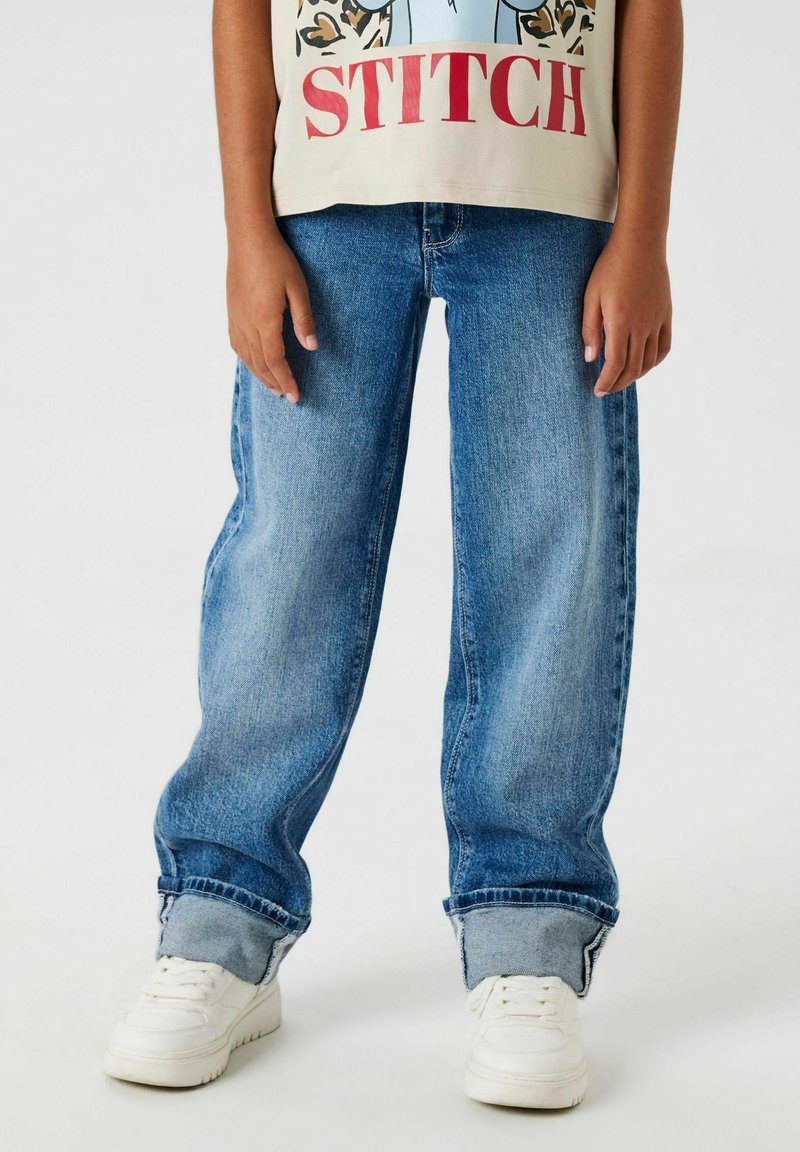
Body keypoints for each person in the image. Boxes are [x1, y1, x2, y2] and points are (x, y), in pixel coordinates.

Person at [105, 0, 682, 1107]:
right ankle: (222, 918)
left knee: (548, 555)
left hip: (552, 191)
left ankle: (527, 931)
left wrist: (642, 234)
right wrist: (247, 233)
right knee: (290, 555)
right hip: (327, 196)